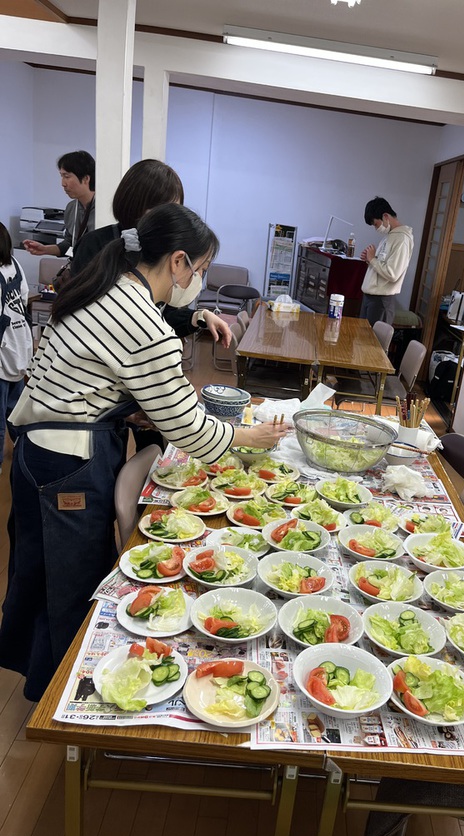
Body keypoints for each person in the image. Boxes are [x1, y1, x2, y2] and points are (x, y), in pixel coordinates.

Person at [0, 203, 287, 701]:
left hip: (37, 452)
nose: (197, 280)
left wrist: (125, 408)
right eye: (198, 270)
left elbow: (83, 379)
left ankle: (42, 686)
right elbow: (192, 432)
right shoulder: (141, 321)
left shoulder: (106, 287)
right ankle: (61, 702)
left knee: (39, 574)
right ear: (176, 262)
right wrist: (250, 438)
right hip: (66, 464)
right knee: (71, 585)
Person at [71, 158, 228, 343]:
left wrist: (197, 317)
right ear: (134, 203)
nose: (169, 217)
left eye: (175, 209)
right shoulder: (95, 244)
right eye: (161, 209)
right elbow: (81, 315)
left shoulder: (167, 252)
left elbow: (163, 313)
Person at [0, 223, 32, 474]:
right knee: (17, 412)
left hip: (3, 349)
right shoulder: (16, 265)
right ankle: (25, 455)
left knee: (1, 419)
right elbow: (23, 299)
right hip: (20, 344)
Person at [22, 150, 95, 258]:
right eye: (61, 176)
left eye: (67, 176)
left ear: (86, 178)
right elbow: (70, 245)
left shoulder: (105, 209)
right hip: (80, 270)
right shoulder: (72, 208)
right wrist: (45, 249)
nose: (63, 183)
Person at [359, 196, 414, 326]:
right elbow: (384, 265)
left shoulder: (402, 239)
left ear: (385, 216)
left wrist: (372, 259)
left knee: (372, 344)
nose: (376, 228)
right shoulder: (390, 236)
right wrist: (370, 260)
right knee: (361, 340)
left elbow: (392, 273)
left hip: (380, 301)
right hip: (371, 297)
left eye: (376, 224)